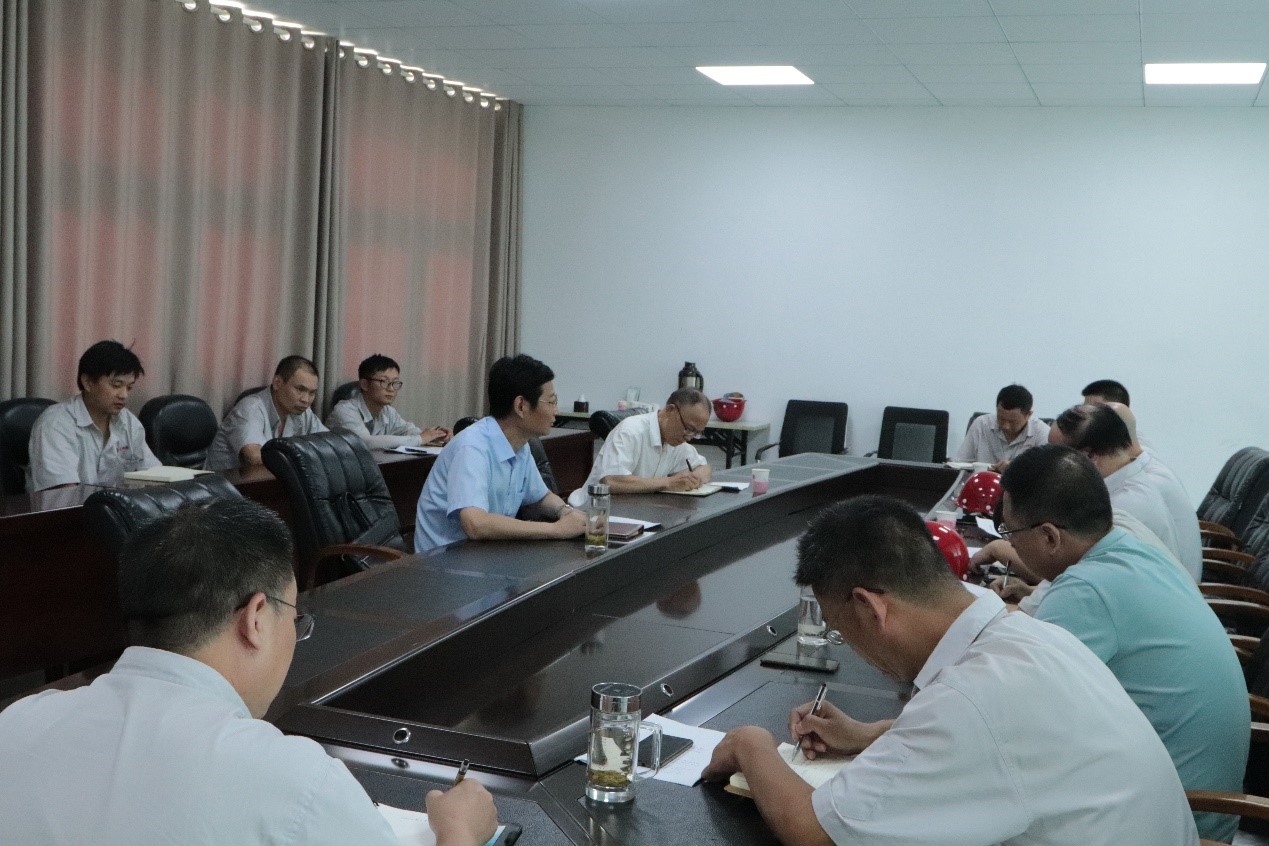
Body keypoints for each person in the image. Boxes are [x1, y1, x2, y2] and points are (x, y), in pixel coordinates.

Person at [701, 494, 1198, 846]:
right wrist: (869, 735)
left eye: (839, 628)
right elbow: (1006, 744)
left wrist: (749, 743)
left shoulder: (970, 698)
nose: (847, 646)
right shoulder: (1026, 636)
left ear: (870, 608)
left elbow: (815, 833)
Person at [0, 498, 497, 846]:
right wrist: (459, 831)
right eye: (294, 617)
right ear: (256, 618)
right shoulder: (293, 780)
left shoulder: (17, 723)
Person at [998, 444, 1248, 842]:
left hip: (1173, 820)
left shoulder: (1084, 591)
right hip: (1199, 805)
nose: (1010, 544)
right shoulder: (1133, 548)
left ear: (1049, 536)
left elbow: (1011, 714)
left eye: (1009, 532)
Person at [414, 354, 587, 553]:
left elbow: (540, 497)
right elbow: (475, 524)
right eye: (551, 402)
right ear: (521, 406)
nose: (556, 411)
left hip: (487, 553)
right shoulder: (472, 447)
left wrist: (565, 512)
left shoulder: (521, 444)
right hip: (444, 561)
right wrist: (556, 530)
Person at [1049, 404, 1201, 581]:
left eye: (1056, 458)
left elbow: (1080, 577)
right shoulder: (1127, 480)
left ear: (1089, 456)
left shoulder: (1124, 506)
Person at [27, 340, 160, 491]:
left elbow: (154, 476)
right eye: (116, 385)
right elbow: (64, 494)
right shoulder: (56, 425)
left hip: (117, 505)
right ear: (88, 382)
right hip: (72, 506)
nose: (124, 395)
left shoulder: (128, 421)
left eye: (129, 387)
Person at [565, 388, 713, 507]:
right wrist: (668, 483)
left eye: (697, 433)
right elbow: (611, 481)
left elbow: (704, 468)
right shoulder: (631, 431)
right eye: (688, 428)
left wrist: (695, 479)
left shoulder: (676, 440)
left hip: (635, 510)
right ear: (670, 410)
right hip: (591, 513)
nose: (689, 437)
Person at [205, 355, 328, 471]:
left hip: (268, 482)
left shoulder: (303, 412)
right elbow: (254, 458)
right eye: (300, 389)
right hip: (225, 484)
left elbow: (330, 445)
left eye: (312, 393)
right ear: (277, 383)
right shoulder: (250, 409)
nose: (306, 399)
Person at [326, 354, 451, 450]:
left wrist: (435, 435)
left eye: (395, 382)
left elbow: (406, 430)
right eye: (384, 382)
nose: (391, 389)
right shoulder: (345, 410)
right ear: (364, 384)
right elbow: (365, 442)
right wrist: (420, 439)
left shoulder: (387, 411)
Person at [953, 383, 1048, 471]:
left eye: (1012, 422)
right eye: (1001, 419)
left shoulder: (1042, 433)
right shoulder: (981, 425)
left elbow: (1047, 473)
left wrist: (1016, 468)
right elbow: (959, 464)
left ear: (1028, 415)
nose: (1006, 426)